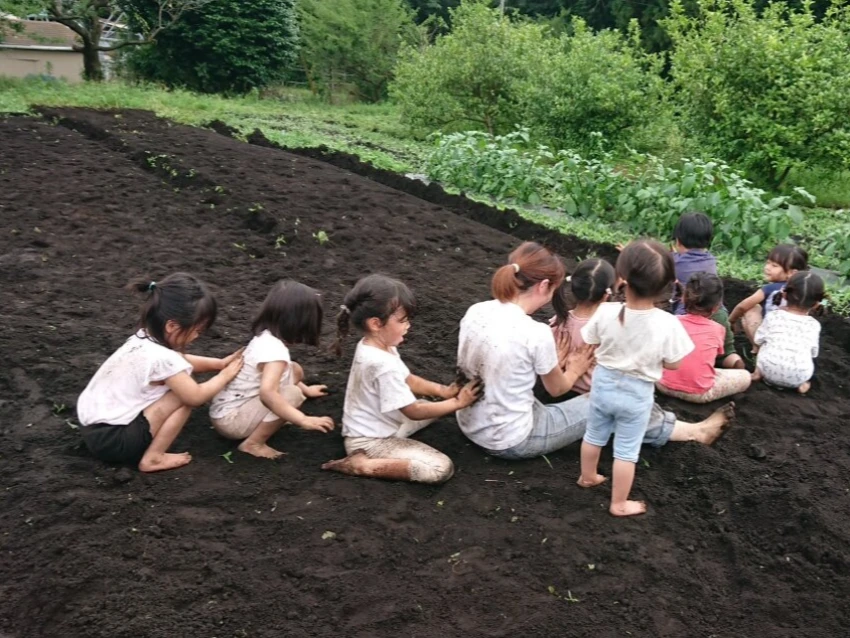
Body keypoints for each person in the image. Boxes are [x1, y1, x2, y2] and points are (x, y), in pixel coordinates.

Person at [456, 242, 736, 477]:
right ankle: (693, 432)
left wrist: (556, 359)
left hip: (470, 419)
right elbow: (557, 389)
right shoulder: (535, 331)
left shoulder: (478, 310)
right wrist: (574, 367)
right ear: (543, 285)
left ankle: (677, 428)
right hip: (510, 439)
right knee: (612, 396)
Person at [322, 274, 482, 483]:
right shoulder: (381, 364)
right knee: (440, 468)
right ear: (376, 324)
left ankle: (366, 455)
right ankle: (363, 465)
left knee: (431, 406)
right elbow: (413, 411)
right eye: (402, 320)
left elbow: (407, 379)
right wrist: (457, 402)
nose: (408, 325)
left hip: (372, 427)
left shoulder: (376, 345)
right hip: (372, 442)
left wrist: (444, 391)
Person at [77, 273, 244, 473]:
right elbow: (195, 396)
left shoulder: (142, 339)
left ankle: (146, 448)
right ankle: (154, 458)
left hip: (93, 432)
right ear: (172, 326)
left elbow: (179, 361)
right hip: (116, 443)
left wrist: (219, 364)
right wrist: (225, 375)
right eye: (197, 330)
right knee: (183, 394)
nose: (197, 336)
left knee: (177, 382)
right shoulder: (163, 358)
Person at [579, 240, 694, 517]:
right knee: (626, 451)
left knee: (593, 434)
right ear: (666, 283)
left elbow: (589, 340)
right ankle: (619, 503)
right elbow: (674, 364)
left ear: (623, 278)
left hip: (603, 384)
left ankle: (587, 477)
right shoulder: (668, 323)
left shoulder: (605, 311)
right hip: (637, 394)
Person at [210, 280, 334, 459]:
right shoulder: (275, 352)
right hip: (232, 421)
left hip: (225, 409)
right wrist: (302, 419)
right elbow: (267, 394)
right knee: (292, 395)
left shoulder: (264, 336)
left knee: (295, 370)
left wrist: (307, 390)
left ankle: (280, 411)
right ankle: (253, 443)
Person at [657, 273, 751, 403]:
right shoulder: (717, 329)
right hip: (698, 393)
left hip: (662, 384)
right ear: (716, 307)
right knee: (745, 377)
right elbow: (716, 357)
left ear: (683, 298)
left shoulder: (671, 321)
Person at [752, 271, 824, 394]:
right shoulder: (814, 325)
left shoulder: (773, 316)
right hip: (798, 376)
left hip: (768, 371)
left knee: (765, 343)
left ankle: (757, 373)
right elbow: (813, 353)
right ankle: (802, 385)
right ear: (816, 303)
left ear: (784, 295)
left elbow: (758, 340)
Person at [729, 244, 809, 350]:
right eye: (768, 263)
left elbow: (742, 306)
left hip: (770, 342)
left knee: (752, 309)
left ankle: (757, 348)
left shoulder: (770, 289)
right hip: (794, 346)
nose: (767, 268)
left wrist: (731, 321)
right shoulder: (805, 292)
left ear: (792, 273)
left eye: (774, 266)